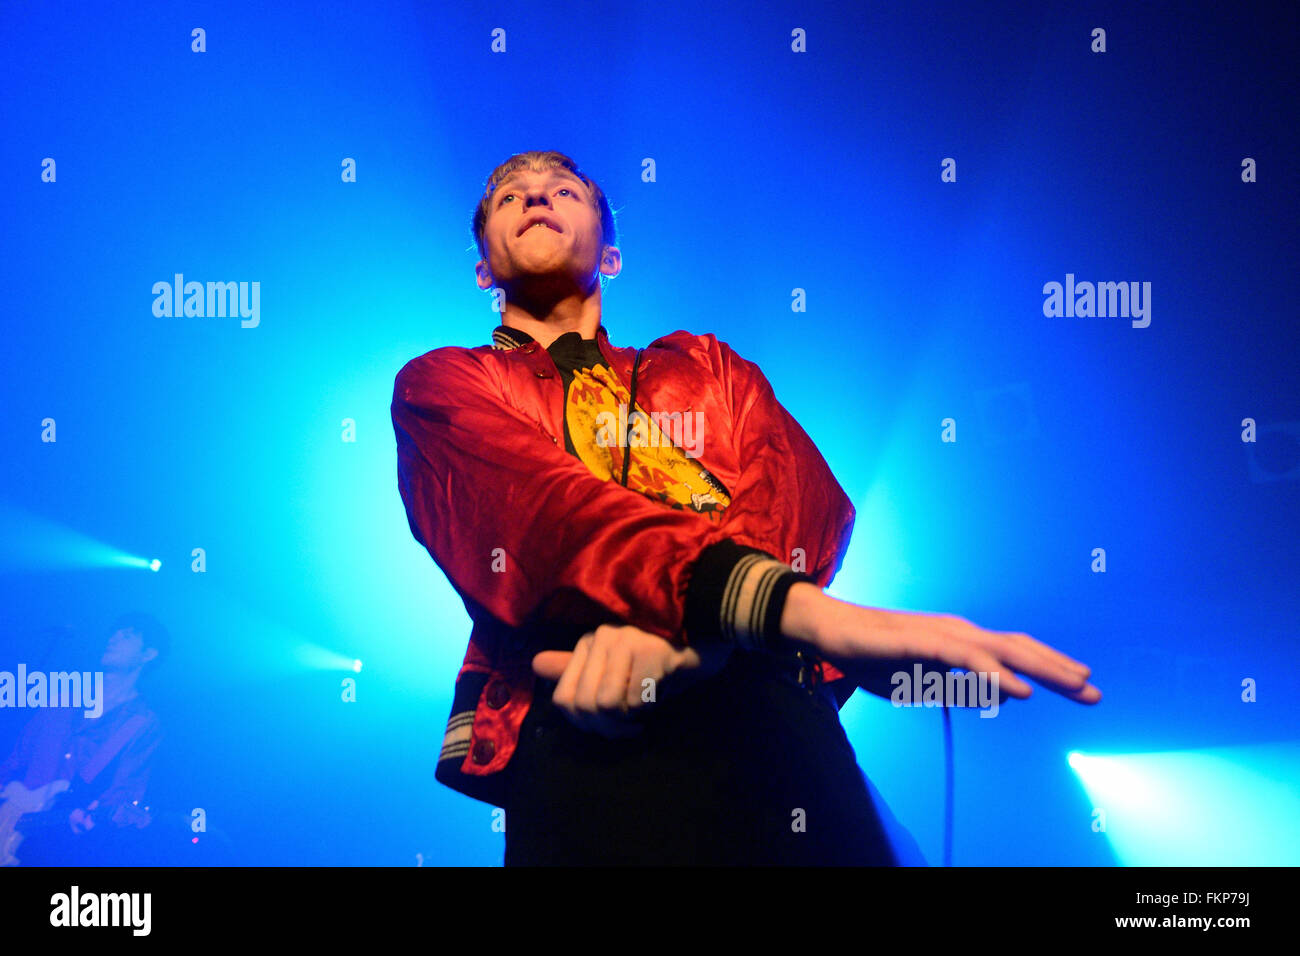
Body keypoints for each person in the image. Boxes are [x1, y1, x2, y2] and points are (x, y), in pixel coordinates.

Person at [391, 149, 1101, 865]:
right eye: (511, 195)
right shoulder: (444, 382)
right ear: (483, 268)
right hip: (582, 706)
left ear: (611, 254)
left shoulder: (704, 365)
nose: (536, 199)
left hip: (766, 700)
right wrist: (811, 618)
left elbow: (792, 495)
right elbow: (538, 512)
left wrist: (707, 640)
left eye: (562, 190)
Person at [0, 613, 167, 865]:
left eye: (127, 635)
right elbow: (17, 758)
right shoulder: (64, 696)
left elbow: (126, 791)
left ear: (148, 654)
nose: (113, 638)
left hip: (55, 844)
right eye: (115, 632)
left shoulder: (141, 723)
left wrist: (96, 816)